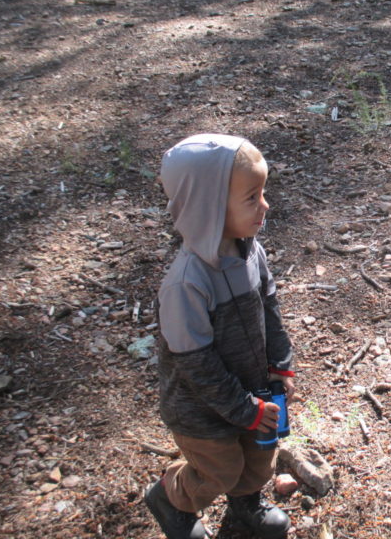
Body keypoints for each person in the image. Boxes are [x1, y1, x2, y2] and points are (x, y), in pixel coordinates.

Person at [145, 134, 295, 539]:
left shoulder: (252, 253)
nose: (265, 206)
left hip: (252, 389)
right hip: (201, 410)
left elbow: (269, 307)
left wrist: (280, 365)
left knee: (260, 457)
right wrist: (245, 409)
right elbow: (197, 365)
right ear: (208, 207)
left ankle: (246, 505)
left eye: (263, 193)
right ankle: (171, 497)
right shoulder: (186, 285)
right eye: (252, 197)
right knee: (219, 469)